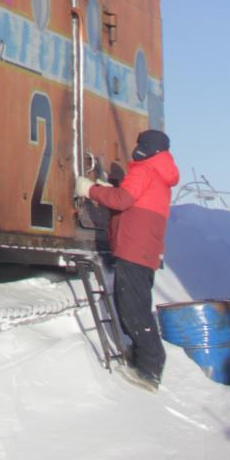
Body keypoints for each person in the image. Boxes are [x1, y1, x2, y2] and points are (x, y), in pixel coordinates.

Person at [76, 129, 179, 391]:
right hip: (145, 250)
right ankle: (143, 360)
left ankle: (149, 368)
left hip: (133, 249)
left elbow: (122, 201)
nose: (138, 148)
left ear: (150, 148)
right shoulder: (160, 174)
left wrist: (91, 190)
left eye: (142, 144)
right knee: (138, 305)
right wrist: (112, 189)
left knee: (133, 309)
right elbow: (132, 200)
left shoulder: (144, 170)